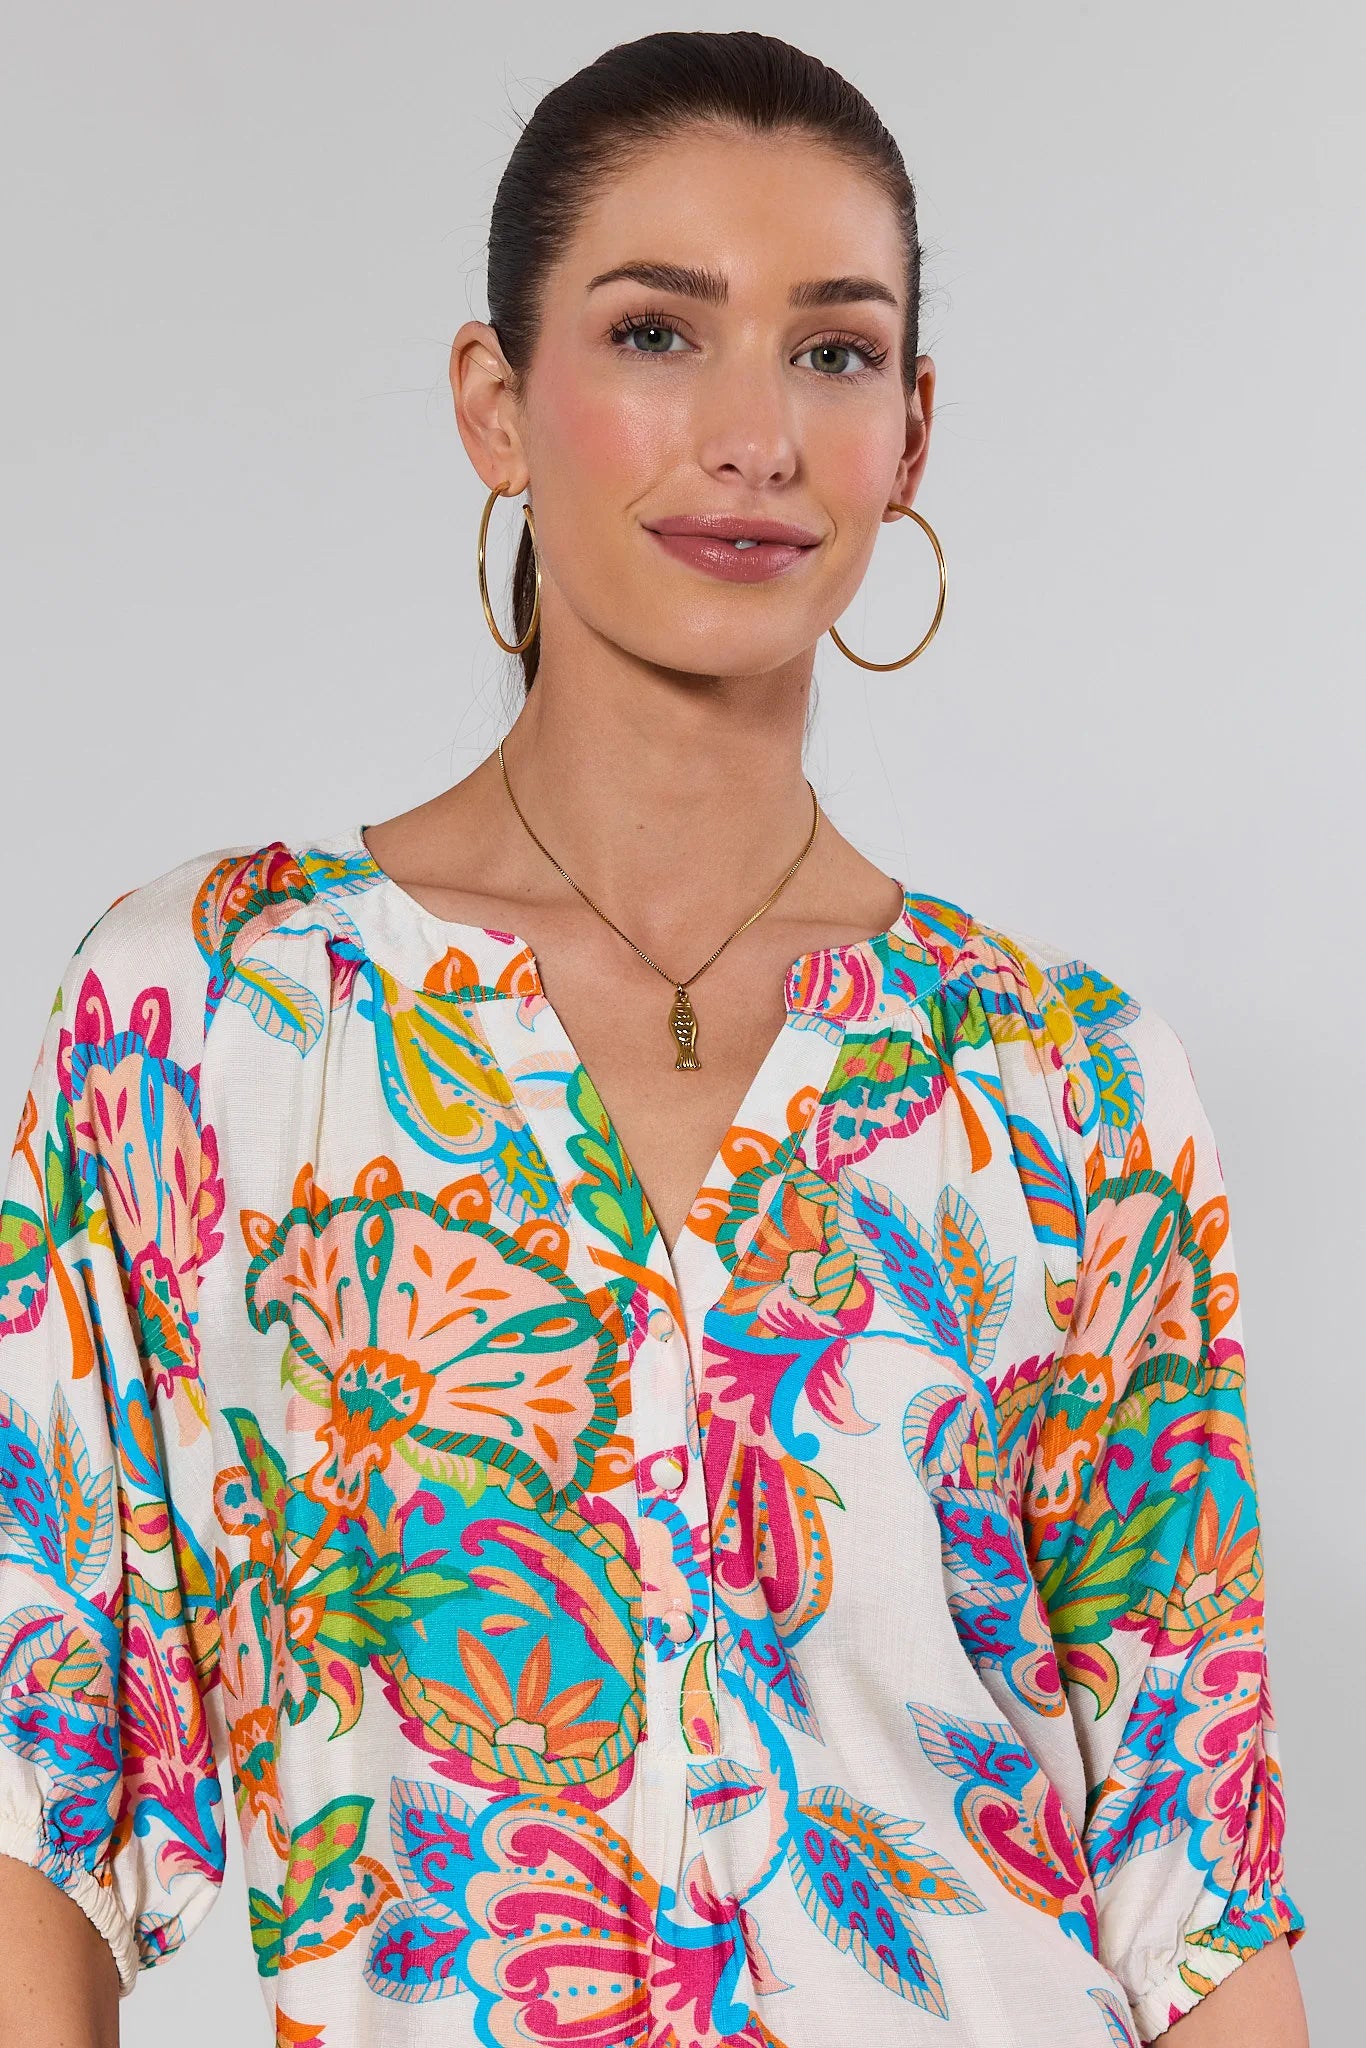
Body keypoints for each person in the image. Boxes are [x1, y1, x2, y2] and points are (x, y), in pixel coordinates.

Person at [0, 29, 1307, 2048]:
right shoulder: (206, 1010)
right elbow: (38, 1769)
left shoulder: (1062, 1079)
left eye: (833, 351)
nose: (754, 434)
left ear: (913, 434)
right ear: (494, 403)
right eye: (655, 332)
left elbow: (1194, 1874)